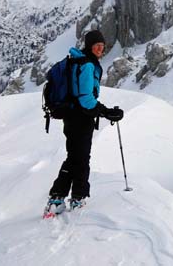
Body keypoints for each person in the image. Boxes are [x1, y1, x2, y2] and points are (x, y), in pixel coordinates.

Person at [45, 30, 124, 216]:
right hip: (80, 118)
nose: (100, 49)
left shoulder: (78, 61)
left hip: (71, 117)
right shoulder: (87, 65)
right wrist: (107, 112)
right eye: (96, 45)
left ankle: (57, 198)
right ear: (89, 45)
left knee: (74, 158)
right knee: (81, 159)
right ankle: (77, 198)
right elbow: (86, 99)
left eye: (102, 46)